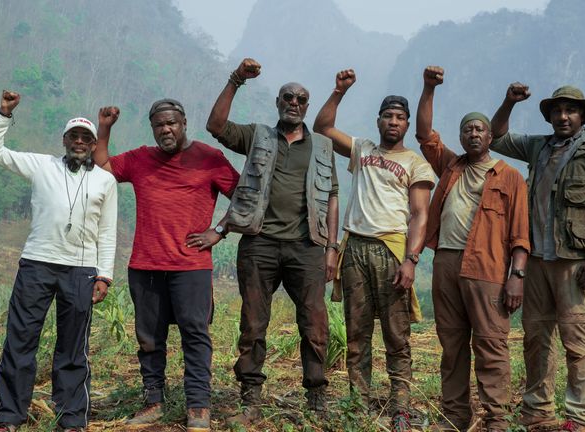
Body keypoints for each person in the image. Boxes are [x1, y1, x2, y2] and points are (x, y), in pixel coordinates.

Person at [205, 58, 339, 425]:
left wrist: (332, 248)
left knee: (314, 322)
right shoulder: (258, 136)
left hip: (307, 246)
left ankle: (316, 394)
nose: (294, 103)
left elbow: (332, 199)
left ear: (307, 107)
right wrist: (236, 80)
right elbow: (216, 126)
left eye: (300, 99)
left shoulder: (323, 148)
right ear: (278, 103)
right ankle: (250, 395)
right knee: (252, 321)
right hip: (259, 243)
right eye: (287, 97)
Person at [93, 99, 239, 431]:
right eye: (159, 125)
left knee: (195, 335)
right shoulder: (140, 158)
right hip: (145, 265)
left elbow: (245, 194)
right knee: (149, 338)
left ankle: (199, 406)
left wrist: (218, 231)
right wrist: (105, 129)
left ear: (184, 123)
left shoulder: (209, 158)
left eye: (171, 123)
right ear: (153, 128)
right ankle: (153, 402)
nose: (166, 130)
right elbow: (102, 167)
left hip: (191, 265)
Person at [490, 83, 585, 432]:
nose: (563, 116)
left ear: (582, 115)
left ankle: (580, 419)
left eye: (570, 110)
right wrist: (509, 101)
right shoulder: (538, 146)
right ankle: (538, 412)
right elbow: (497, 136)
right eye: (556, 110)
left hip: (575, 263)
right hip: (536, 261)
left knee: (577, 341)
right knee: (536, 339)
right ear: (549, 115)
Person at [0, 90, 117, 432]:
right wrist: (3, 113)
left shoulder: (105, 180)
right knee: (21, 339)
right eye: (73, 136)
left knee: (74, 348)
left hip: (82, 270)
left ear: (91, 144)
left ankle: (72, 420)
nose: (79, 141)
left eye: (85, 138)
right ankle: (9, 417)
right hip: (37, 263)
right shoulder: (42, 165)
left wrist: (105, 275)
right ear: (64, 140)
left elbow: (107, 232)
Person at [313, 69, 434, 432]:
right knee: (357, 332)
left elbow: (419, 215)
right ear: (378, 120)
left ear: (407, 123)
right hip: (356, 250)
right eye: (388, 116)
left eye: (400, 117)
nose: (393, 122)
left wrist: (411, 260)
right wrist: (338, 91)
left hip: (392, 249)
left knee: (397, 334)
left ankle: (400, 405)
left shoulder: (416, 162)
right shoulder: (363, 148)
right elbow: (322, 128)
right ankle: (358, 402)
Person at [415, 67, 530, 431]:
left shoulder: (509, 176)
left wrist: (517, 277)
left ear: (491, 135)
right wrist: (428, 88)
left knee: (491, 344)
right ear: (461, 137)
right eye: (468, 129)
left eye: (480, 128)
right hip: (446, 261)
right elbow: (424, 134)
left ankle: (496, 420)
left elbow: (520, 235)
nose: (474, 133)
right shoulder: (451, 165)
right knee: (452, 345)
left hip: (488, 269)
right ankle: (455, 416)